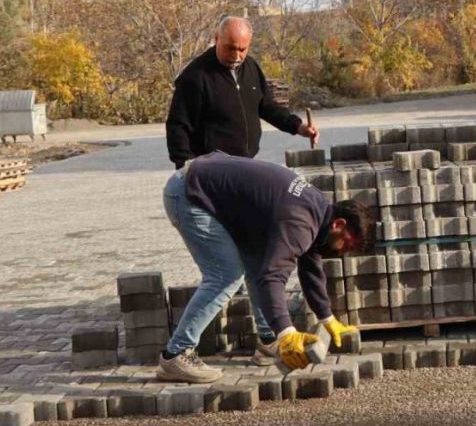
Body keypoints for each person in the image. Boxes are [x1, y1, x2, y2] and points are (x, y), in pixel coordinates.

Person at [156, 152, 377, 383]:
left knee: (257, 262)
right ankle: (176, 354)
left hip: (207, 185)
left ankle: (268, 341)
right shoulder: (300, 221)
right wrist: (287, 332)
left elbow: (310, 267)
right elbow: (272, 277)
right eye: (347, 245)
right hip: (190, 193)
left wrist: (326, 317)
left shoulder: (318, 211)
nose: (343, 253)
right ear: (339, 224)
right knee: (226, 275)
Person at [166, 16, 319, 170]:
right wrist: (185, 167)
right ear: (217, 38)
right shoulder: (195, 76)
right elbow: (178, 126)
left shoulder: (251, 67)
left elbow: (266, 106)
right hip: (211, 169)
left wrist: (297, 126)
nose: (236, 56)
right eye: (230, 48)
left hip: (246, 163)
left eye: (242, 49)